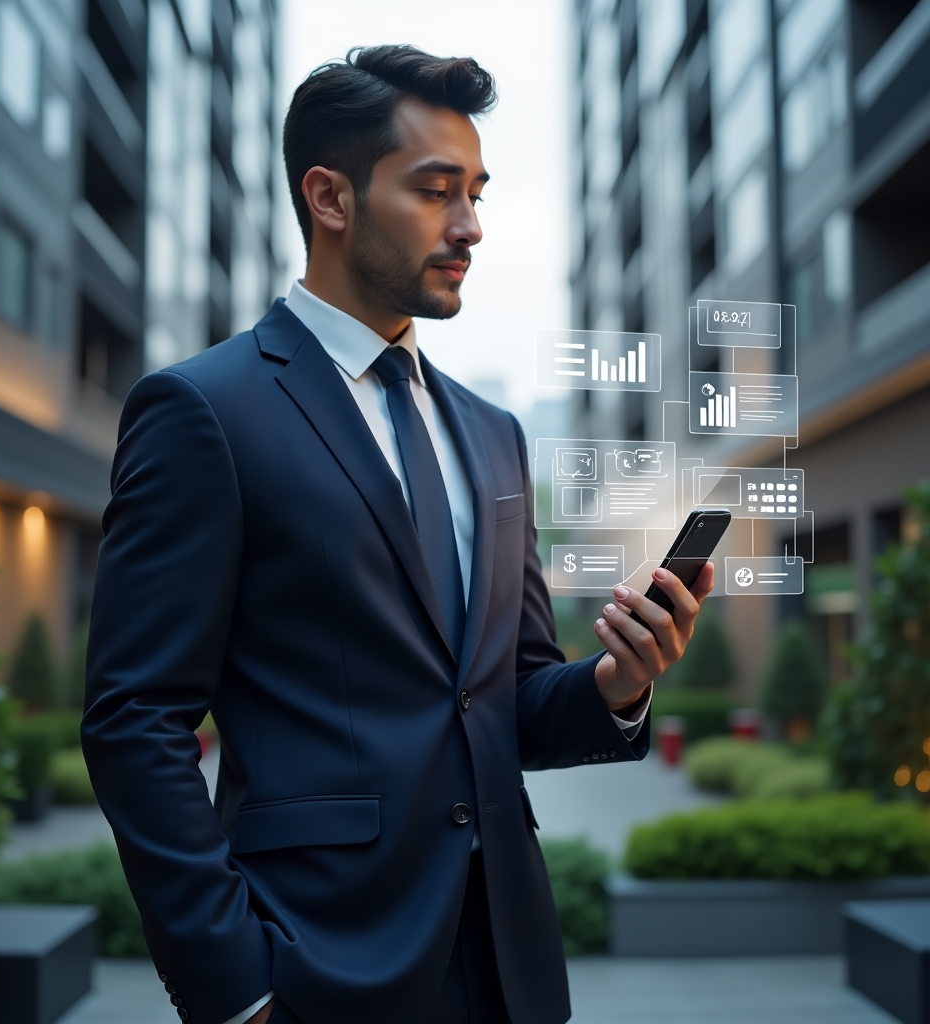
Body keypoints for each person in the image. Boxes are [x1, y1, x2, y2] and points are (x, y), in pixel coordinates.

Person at [82, 45, 714, 1024]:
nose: (469, 226)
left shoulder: (494, 436)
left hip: (505, 960)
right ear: (329, 198)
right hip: (311, 963)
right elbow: (135, 717)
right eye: (435, 191)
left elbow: (502, 699)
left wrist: (613, 684)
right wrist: (235, 989)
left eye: (478, 192)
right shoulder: (202, 411)